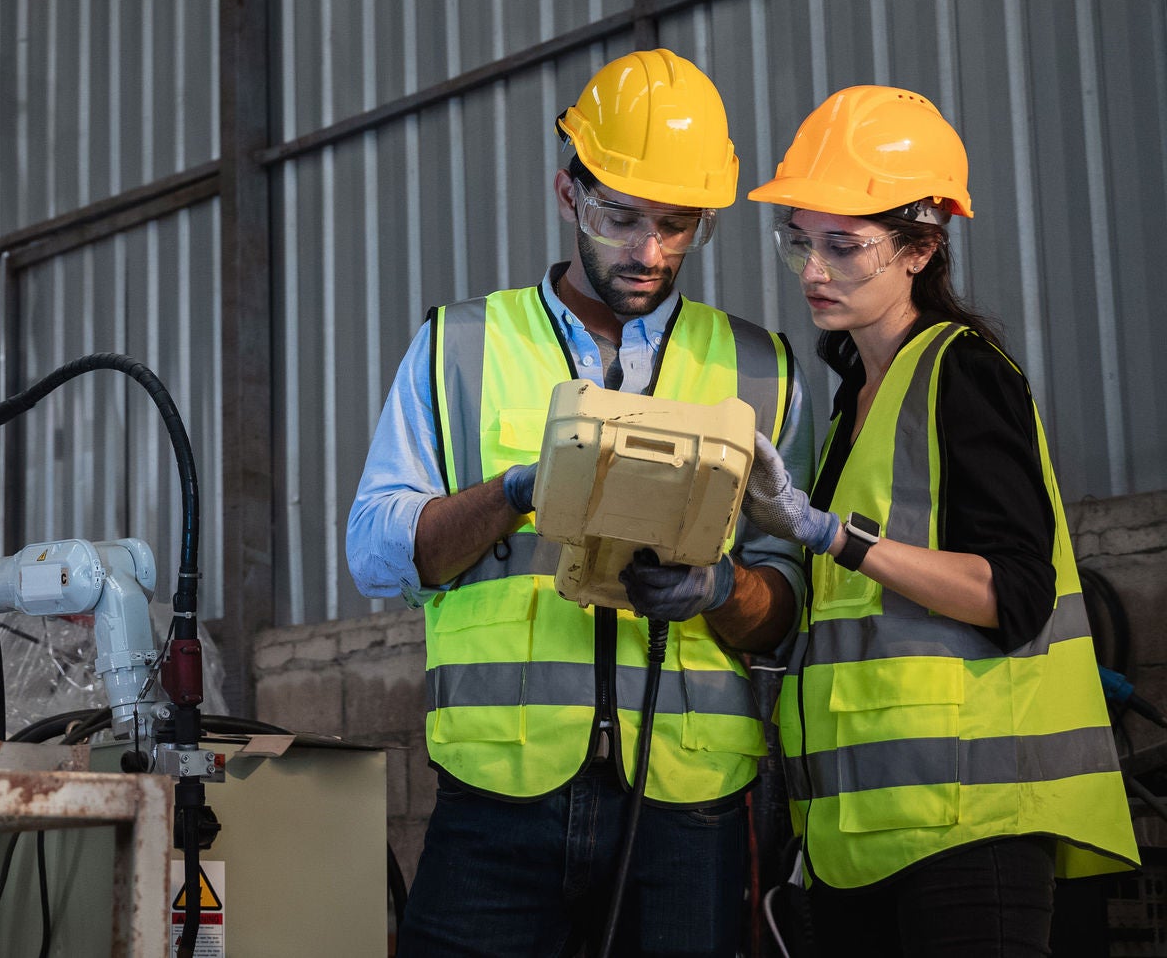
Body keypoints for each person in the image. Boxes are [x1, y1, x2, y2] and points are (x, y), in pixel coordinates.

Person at [350, 48, 811, 957]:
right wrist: (518, 493)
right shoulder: (460, 346)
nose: (649, 252)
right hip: (496, 798)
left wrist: (721, 591)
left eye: (679, 226)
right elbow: (375, 551)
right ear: (569, 195)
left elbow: (793, 607)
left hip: (690, 809)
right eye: (621, 217)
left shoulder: (761, 368)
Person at [740, 84, 1138, 955]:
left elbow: (1017, 593)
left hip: (970, 826)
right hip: (862, 841)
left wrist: (832, 535)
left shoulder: (965, 374)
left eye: (843, 246)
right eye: (800, 242)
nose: (813, 269)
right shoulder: (854, 402)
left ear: (920, 247)